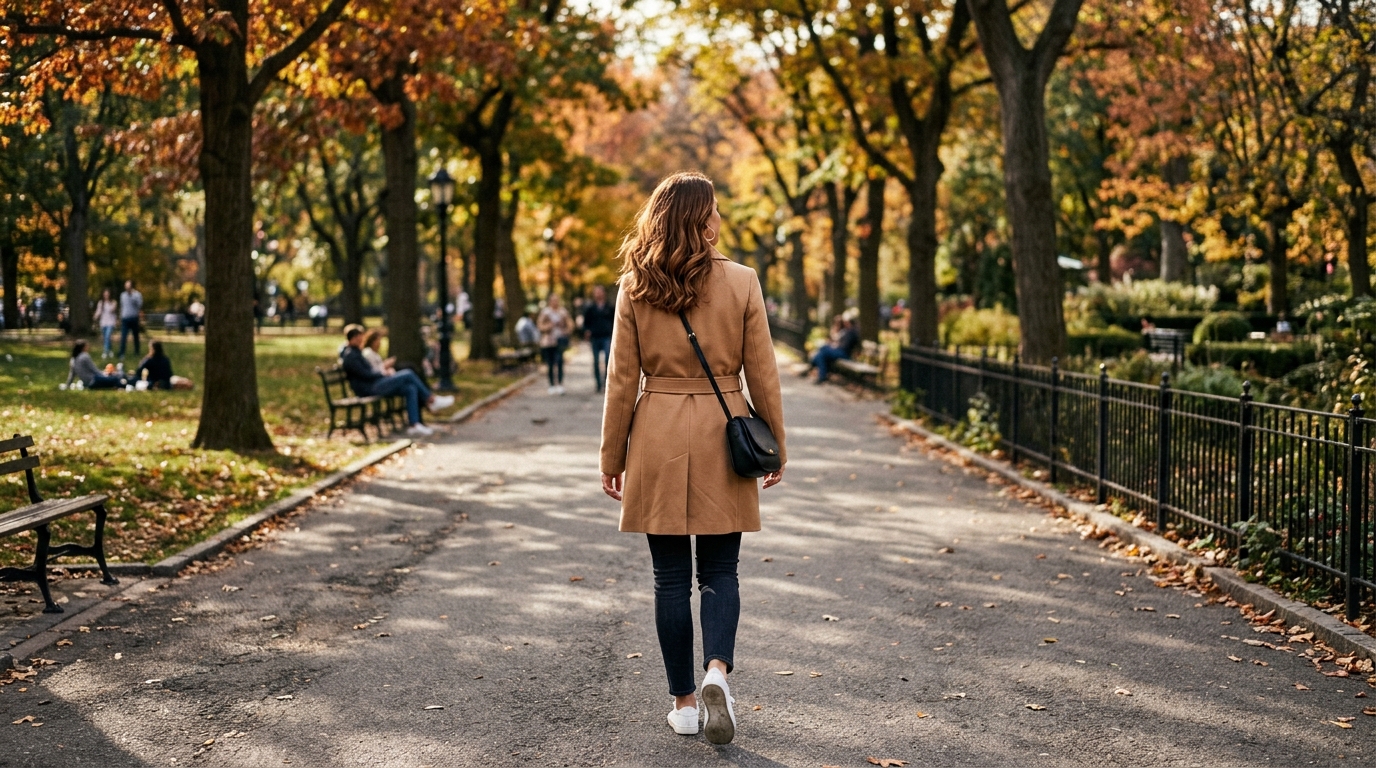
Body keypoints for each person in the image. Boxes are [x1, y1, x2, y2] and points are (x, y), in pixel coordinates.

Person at [599, 171, 786, 745]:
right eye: (716, 211)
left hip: (656, 432)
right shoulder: (742, 281)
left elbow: (621, 378)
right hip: (723, 431)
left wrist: (612, 454)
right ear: (703, 219)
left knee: (669, 578)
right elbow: (763, 370)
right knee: (721, 571)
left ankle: (683, 703)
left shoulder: (637, 286)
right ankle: (717, 673)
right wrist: (776, 439)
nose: (721, 219)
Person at [339, 325, 453, 437]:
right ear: (353, 338)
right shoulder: (351, 355)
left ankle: (414, 424)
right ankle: (431, 400)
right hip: (369, 388)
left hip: (373, 384)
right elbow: (365, 374)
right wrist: (383, 374)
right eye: (360, 337)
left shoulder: (356, 353)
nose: (362, 340)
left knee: (410, 388)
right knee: (408, 373)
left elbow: (368, 372)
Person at [537, 294, 574, 395]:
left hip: (560, 340)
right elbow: (540, 325)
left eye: (556, 300)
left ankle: (560, 384)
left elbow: (570, 324)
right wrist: (549, 326)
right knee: (550, 364)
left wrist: (566, 330)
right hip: (548, 342)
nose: (555, 302)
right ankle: (552, 385)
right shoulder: (546, 312)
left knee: (560, 362)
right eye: (553, 301)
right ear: (550, 302)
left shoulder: (563, 312)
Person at [583, 285, 616, 393]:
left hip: (607, 336)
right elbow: (585, 323)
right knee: (596, 361)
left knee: (608, 360)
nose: (598, 294)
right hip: (595, 337)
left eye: (600, 292)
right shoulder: (590, 308)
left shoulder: (610, 307)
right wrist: (587, 331)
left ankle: (607, 383)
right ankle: (598, 384)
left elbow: (615, 321)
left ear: (604, 293)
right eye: (596, 292)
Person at [810, 315, 859, 384]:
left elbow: (845, 346)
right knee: (821, 353)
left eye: (846, 322)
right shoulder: (846, 331)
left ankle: (813, 366)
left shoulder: (852, 332)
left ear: (850, 322)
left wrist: (835, 346)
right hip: (839, 351)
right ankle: (821, 375)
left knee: (822, 351)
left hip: (844, 353)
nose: (845, 323)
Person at [117, 280, 143, 357]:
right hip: (125, 319)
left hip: (134, 318)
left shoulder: (137, 295)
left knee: (135, 336)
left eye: (129, 286)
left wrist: (132, 296)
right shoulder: (122, 295)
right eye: (126, 286)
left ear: (131, 286)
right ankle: (122, 353)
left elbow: (139, 305)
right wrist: (120, 317)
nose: (127, 288)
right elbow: (122, 307)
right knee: (123, 336)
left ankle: (137, 352)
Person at [95, 288, 119, 359]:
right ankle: (110, 350)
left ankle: (105, 352)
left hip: (111, 322)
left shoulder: (113, 302)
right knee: (106, 338)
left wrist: (112, 307)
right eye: (105, 294)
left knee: (107, 336)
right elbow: (98, 312)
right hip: (103, 323)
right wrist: (95, 316)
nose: (106, 295)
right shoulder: (101, 303)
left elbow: (113, 310)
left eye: (107, 294)